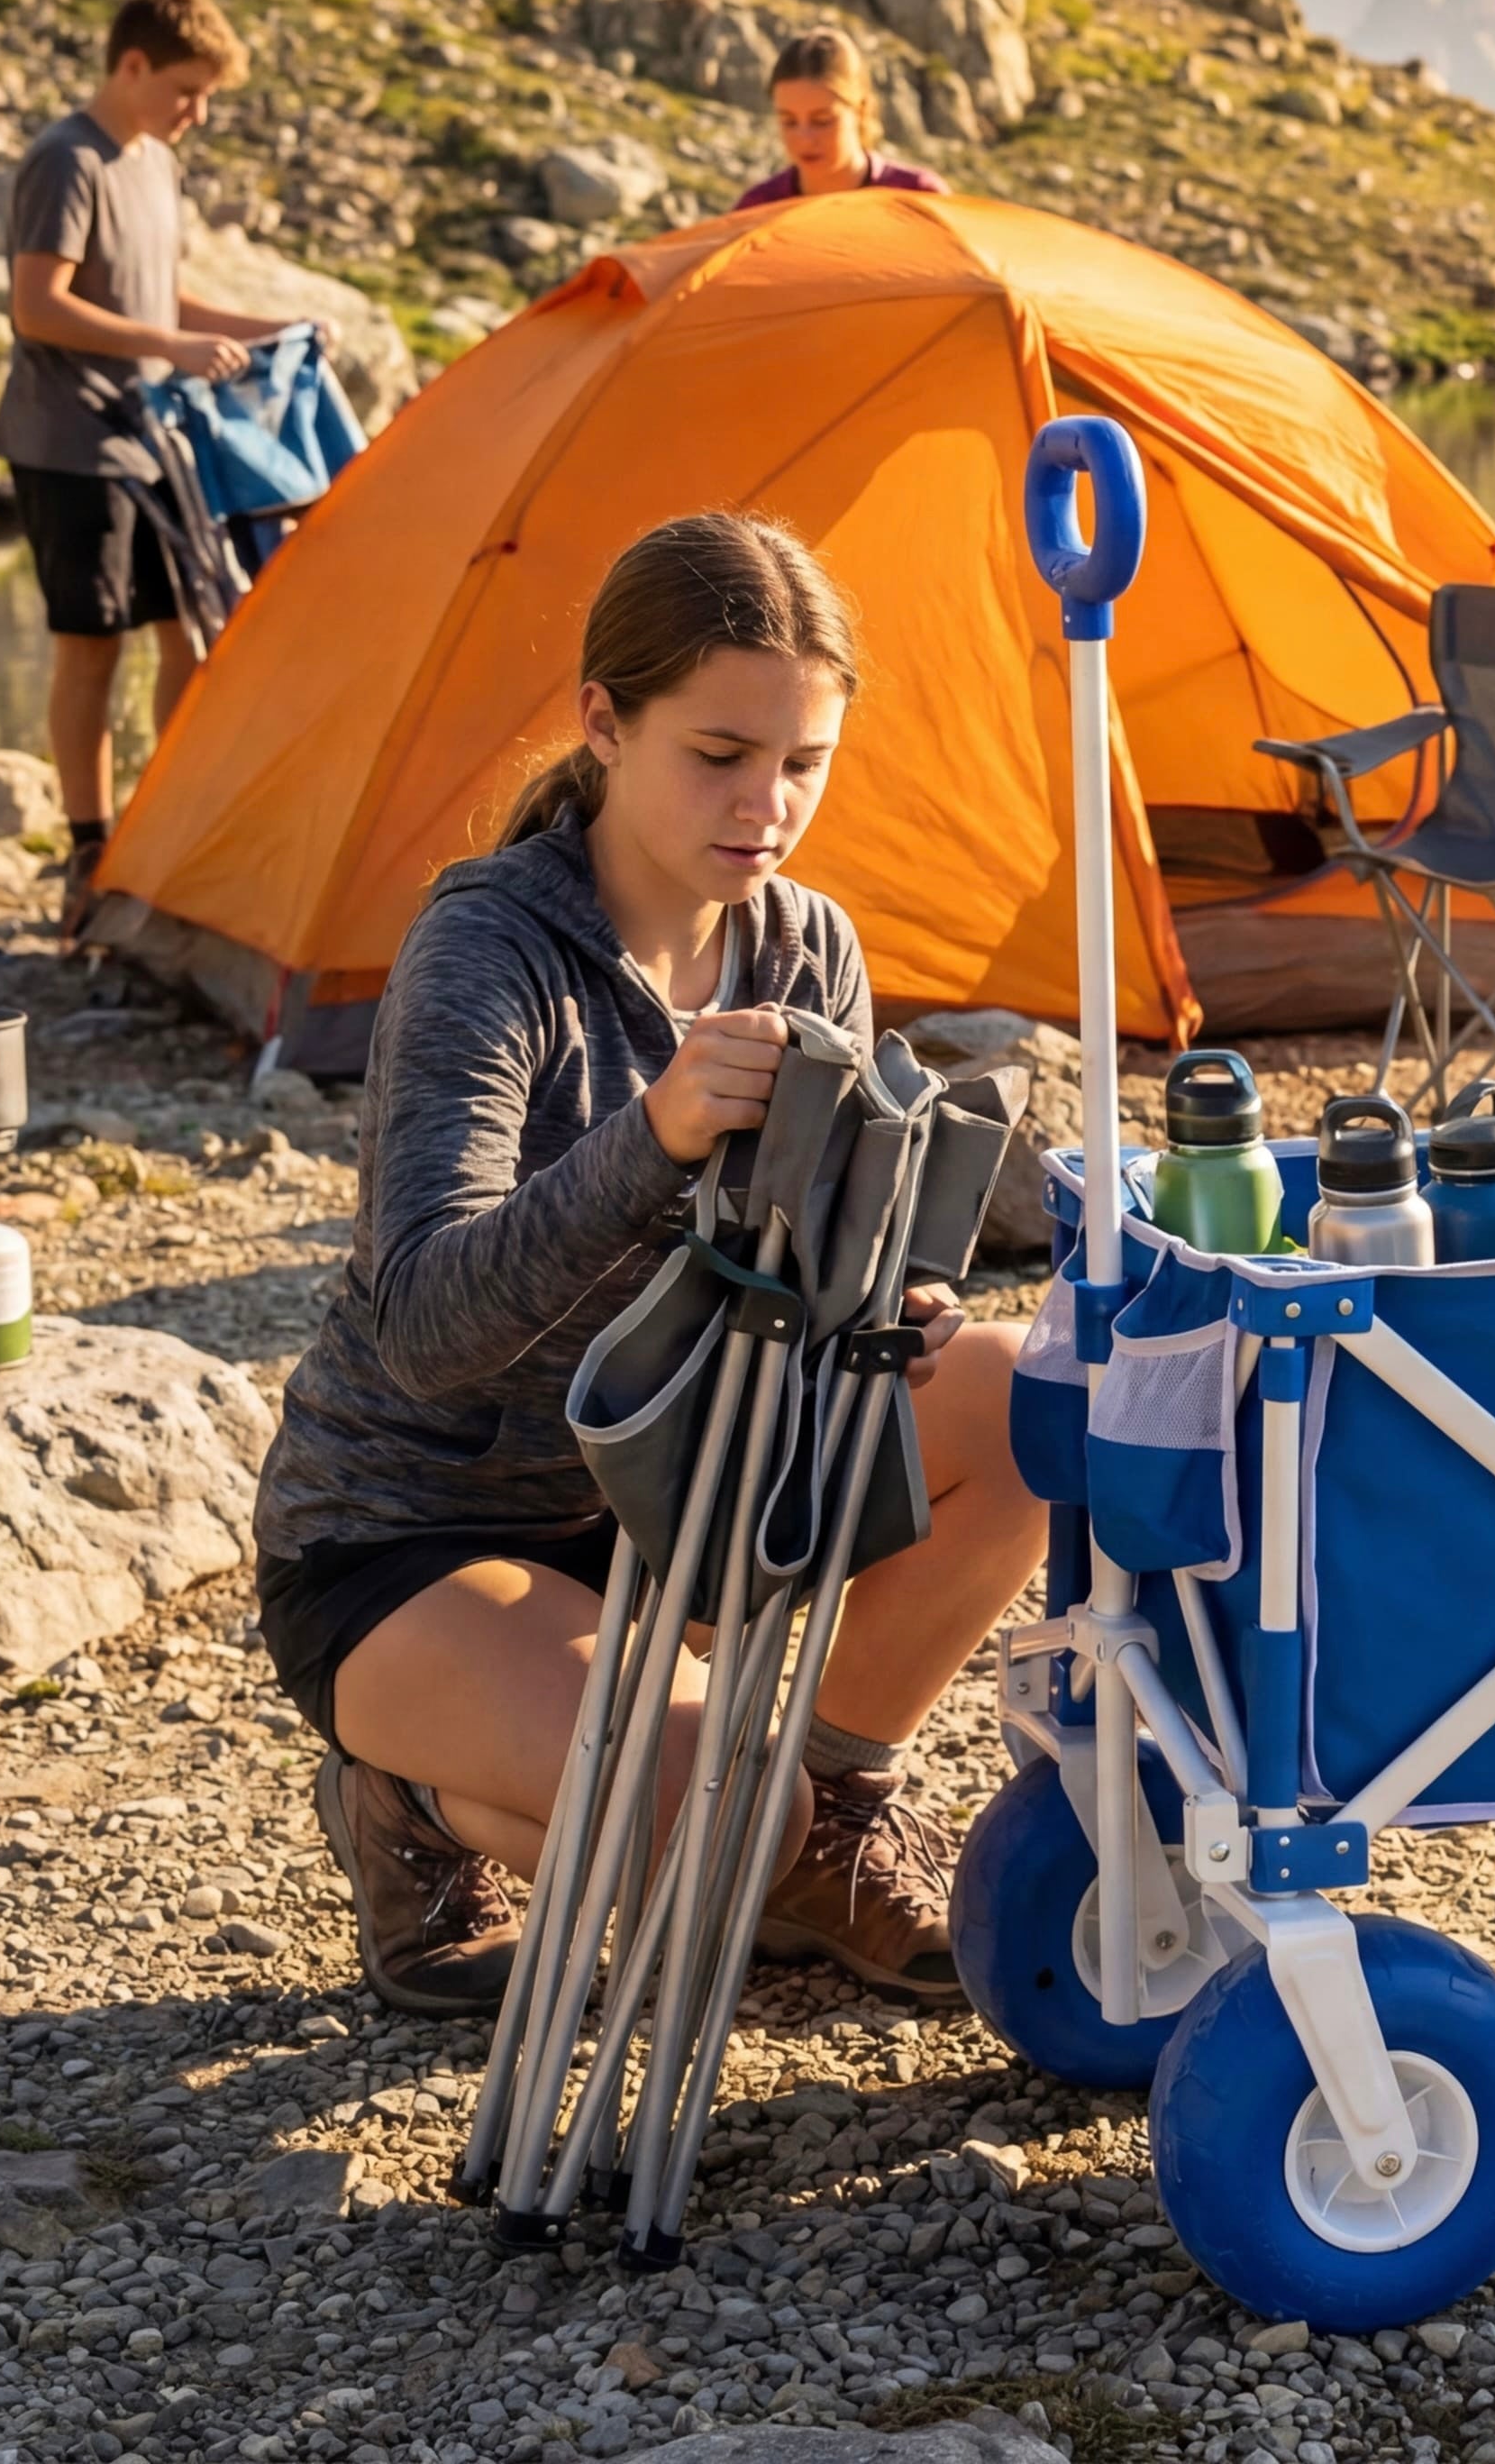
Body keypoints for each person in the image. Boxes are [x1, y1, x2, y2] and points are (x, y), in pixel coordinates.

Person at [248, 514, 1046, 2016]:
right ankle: (405, 1801)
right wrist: (652, 1136)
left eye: (803, 762)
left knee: (1015, 1398)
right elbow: (421, 1323)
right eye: (721, 753)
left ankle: (827, 1822)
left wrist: (881, 1311)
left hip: (675, 1501)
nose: (768, 805)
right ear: (603, 722)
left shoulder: (805, 947)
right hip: (416, 1534)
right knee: (711, 1806)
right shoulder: (489, 952)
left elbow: (800, 1272)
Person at [0, 0, 296, 939]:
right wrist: (165, 349)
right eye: (185, 92)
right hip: (71, 444)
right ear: (130, 67)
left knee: (191, 638)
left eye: (206, 97)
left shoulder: (153, 163)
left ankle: (170, 833)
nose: (196, 114)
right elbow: (38, 306)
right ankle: (87, 850)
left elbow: (164, 296)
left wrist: (275, 330)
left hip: (153, 436)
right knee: (93, 647)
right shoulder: (64, 161)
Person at [731, 30, 951, 211]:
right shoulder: (758, 208)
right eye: (789, 122)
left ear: (861, 111)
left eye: (822, 121)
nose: (804, 138)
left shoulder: (918, 197)